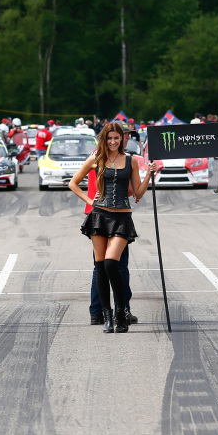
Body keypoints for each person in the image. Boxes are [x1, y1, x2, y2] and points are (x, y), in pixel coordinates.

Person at [69, 122, 158, 333]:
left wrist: (149, 175)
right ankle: (107, 316)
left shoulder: (132, 161)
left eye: (116, 138)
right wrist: (90, 200)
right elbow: (73, 183)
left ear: (122, 139)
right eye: (109, 138)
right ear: (104, 139)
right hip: (99, 215)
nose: (112, 141)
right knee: (100, 266)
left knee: (111, 263)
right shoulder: (96, 159)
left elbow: (138, 192)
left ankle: (121, 311)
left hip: (122, 217)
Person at [83, 165, 135, 325]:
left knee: (100, 266)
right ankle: (121, 310)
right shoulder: (114, 159)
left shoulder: (98, 156)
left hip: (97, 212)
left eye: (120, 137)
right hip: (106, 211)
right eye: (124, 137)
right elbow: (129, 191)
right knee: (115, 265)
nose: (124, 139)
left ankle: (98, 312)